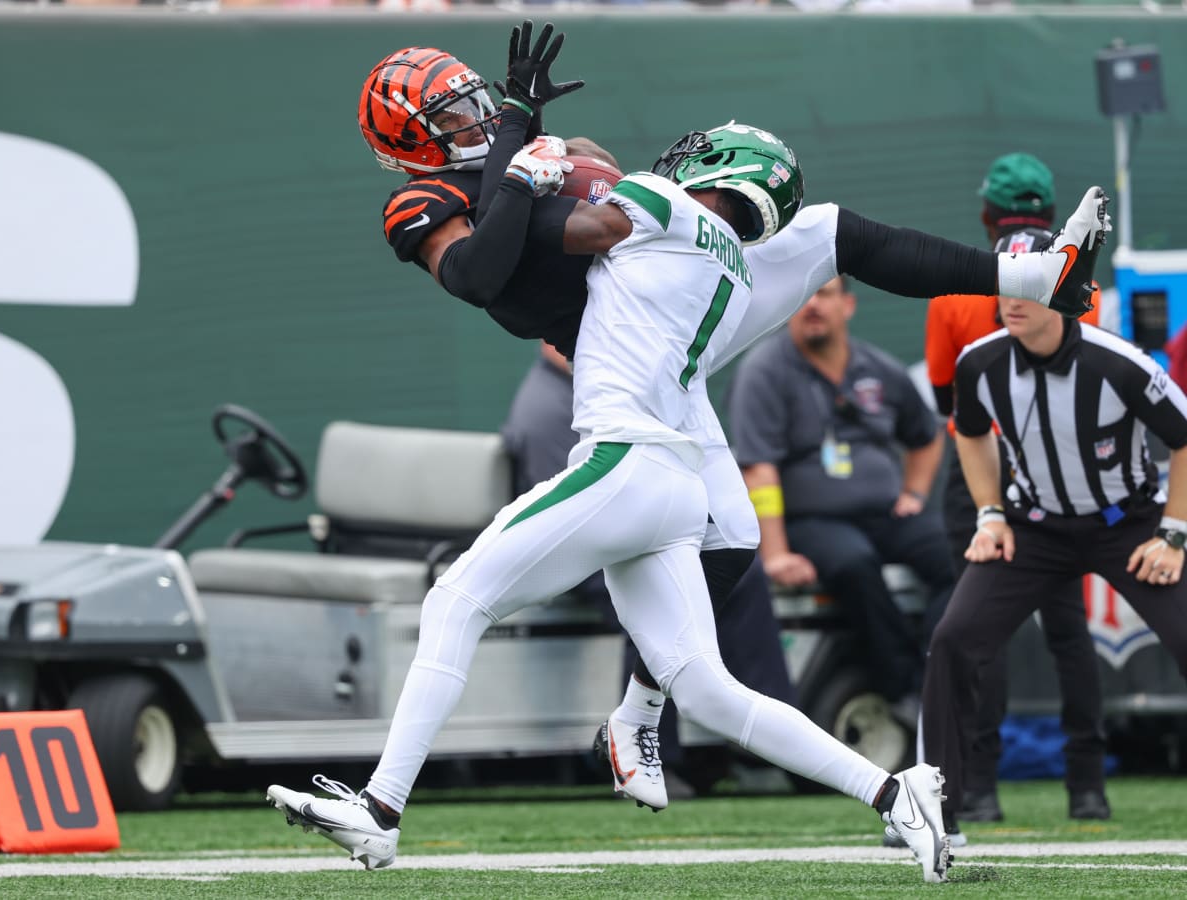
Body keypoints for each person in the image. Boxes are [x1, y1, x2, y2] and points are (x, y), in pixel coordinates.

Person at [272, 18, 1107, 833]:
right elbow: (486, 268)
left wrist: (529, 154)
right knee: (732, 543)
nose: (474, 117)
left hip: (647, 380)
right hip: (665, 368)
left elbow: (585, 211)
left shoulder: (610, 184)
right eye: (450, 115)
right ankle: (751, 750)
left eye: (472, 103)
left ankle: (1034, 274)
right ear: (409, 145)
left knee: (819, 239)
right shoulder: (437, 196)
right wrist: (524, 148)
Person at [271, 116, 956, 883]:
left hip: (626, 461)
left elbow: (571, 224)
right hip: (673, 477)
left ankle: (381, 810)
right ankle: (896, 792)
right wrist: (535, 152)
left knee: (455, 601)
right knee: (707, 689)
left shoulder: (660, 201)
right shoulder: (728, 257)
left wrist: (524, 165)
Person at [922, 285, 1187, 840]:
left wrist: (1174, 532)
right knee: (953, 639)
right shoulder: (981, 361)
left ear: (1064, 299)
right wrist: (990, 513)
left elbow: (1184, 437)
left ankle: (1085, 784)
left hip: (1129, 524)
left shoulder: (1120, 362)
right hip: (1034, 527)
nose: (1012, 303)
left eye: (1030, 290)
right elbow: (968, 433)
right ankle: (932, 812)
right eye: (1007, 290)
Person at [502, 341, 796, 797]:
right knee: (656, 607)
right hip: (578, 561)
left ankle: (765, 746)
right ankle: (654, 751)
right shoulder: (546, 410)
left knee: (740, 575)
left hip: (622, 540)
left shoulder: (594, 390)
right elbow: (570, 521)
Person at [925, 152, 1109, 824]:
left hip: (980, 475)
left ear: (986, 215)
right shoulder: (1074, 282)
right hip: (1057, 466)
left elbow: (951, 402)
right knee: (1069, 630)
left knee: (979, 627)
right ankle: (1087, 788)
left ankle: (978, 790)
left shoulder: (957, 289)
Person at [729, 275, 953, 728]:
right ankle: (904, 688)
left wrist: (915, 493)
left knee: (955, 558)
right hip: (812, 520)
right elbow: (758, 470)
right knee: (855, 565)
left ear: (847, 305)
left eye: (825, 293)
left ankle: (941, 679)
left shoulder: (877, 368)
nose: (813, 304)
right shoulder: (766, 370)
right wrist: (775, 554)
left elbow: (928, 436)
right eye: (804, 294)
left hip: (887, 512)